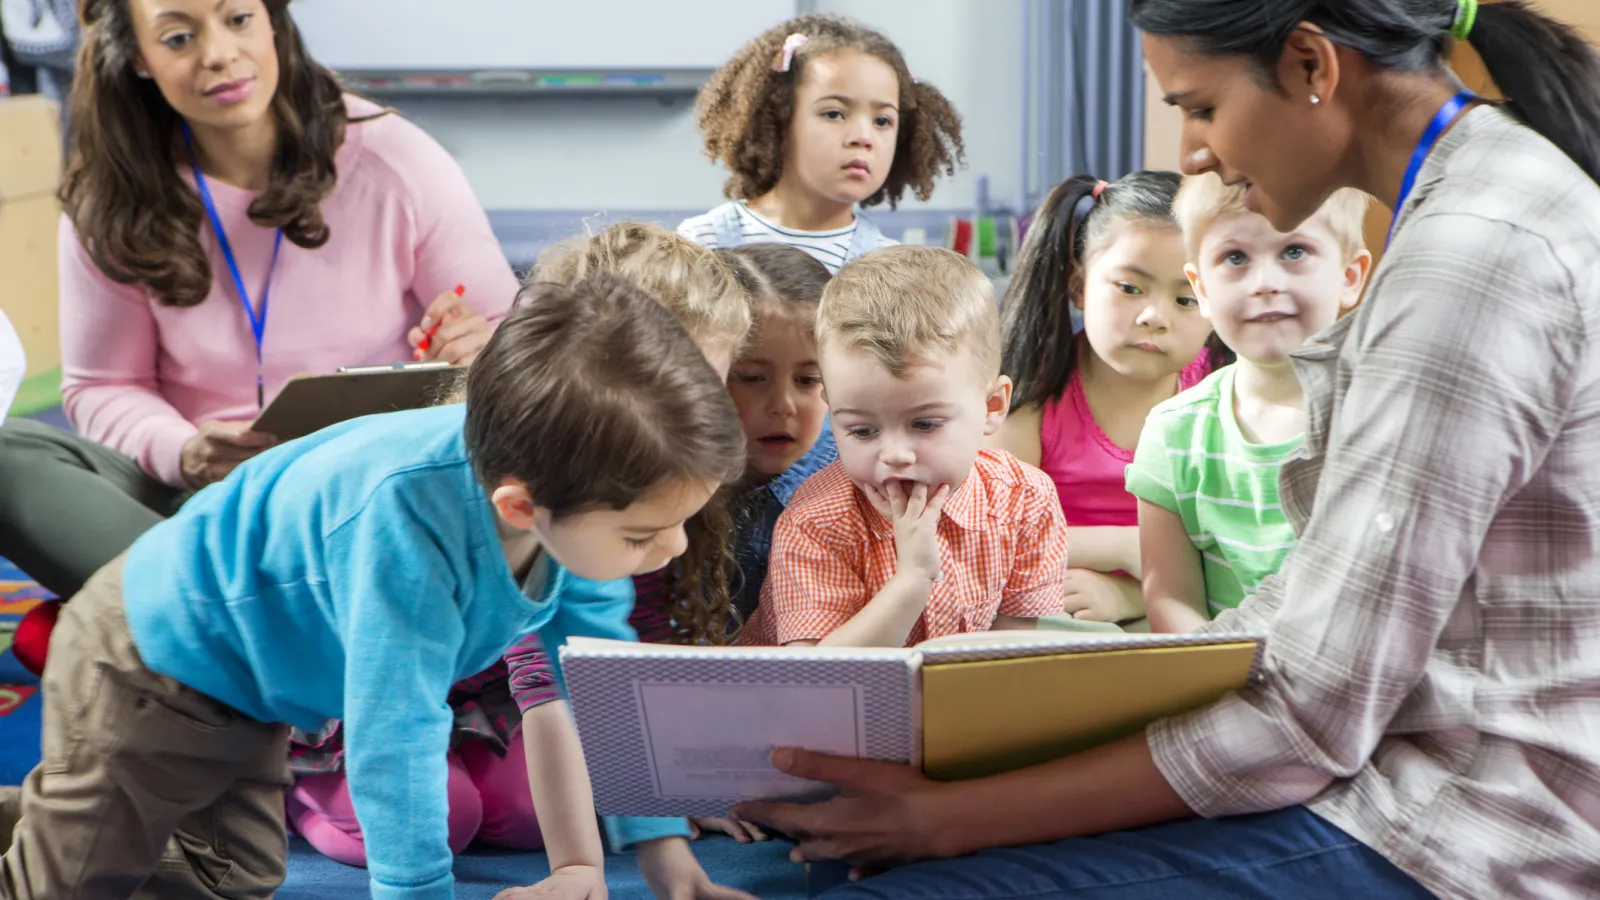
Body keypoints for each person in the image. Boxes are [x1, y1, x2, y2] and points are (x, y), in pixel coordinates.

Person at [729, 1, 1600, 897]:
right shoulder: (1478, 201)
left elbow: (1309, 719)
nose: (1191, 153)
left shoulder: (1470, 256)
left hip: (1467, 818)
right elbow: (1313, 617)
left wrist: (952, 817)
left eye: (1200, 107)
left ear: (1311, 66)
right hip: (1396, 759)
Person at [0, 275, 750, 900]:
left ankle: (59, 815)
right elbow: (398, 735)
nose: (670, 551)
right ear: (520, 507)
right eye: (643, 535)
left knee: (231, 877)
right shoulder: (406, 523)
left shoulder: (560, 489)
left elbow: (598, 673)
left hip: (255, 686)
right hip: (153, 653)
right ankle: (55, 830)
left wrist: (663, 849)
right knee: (69, 883)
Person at [0, 0, 517, 675]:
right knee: (11, 454)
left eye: (238, 19)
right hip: (199, 507)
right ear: (139, 60)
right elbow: (103, 387)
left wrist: (474, 344)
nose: (217, 53)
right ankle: (241, 636)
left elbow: (510, 339)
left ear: (274, 23)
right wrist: (185, 451)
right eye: (179, 37)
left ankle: (166, 628)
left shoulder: (392, 156)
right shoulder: (110, 195)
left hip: (370, 504)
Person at [285, 222, 757, 871]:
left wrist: (665, 798)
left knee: (522, 813)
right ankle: (293, 790)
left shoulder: (653, 480)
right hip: (374, 697)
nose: (689, 416)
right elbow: (541, 680)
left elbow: (612, 661)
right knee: (443, 816)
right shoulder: (537, 488)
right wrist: (578, 869)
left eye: (709, 388)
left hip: (484, 699)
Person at [740, 246, 1068, 649]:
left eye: (925, 424)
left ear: (992, 406)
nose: (894, 454)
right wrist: (912, 580)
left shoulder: (1025, 500)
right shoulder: (816, 522)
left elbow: (1008, 658)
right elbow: (820, 682)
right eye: (862, 430)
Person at [1129, 176, 1371, 632]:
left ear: (1350, 277)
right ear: (1200, 290)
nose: (1264, 283)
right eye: (1235, 258)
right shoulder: (1173, 433)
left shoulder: (1385, 414)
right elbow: (1171, 598)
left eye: (1294, 252)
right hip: (1224, 678)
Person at [991, 173, 1225, 626]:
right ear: (1079, 284)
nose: (1154, 316)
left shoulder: (1219, 394)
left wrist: (1136, 590)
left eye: (1186, 298)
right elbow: (992, 534)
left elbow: (1236, 540)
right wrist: (1126, 547)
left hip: (1185, 609)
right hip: (1051, 611)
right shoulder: (1030, 391)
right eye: (1130, 288)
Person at [678, 15, 964, 273]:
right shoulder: (702, 242)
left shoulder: (891, 269)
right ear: (778, 120)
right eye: (834, 114)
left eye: (882, 121)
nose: (863, 137)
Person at [719, 243, 838, 624]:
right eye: (752, 377)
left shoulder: (849, 485)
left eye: (808, 380)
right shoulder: (661, 485)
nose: (784, 404)